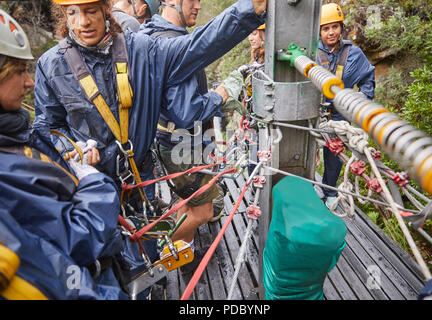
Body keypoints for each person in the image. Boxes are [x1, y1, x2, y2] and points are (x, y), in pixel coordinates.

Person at [32, 0, 266, 280]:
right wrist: (71, 149)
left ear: (106, 10)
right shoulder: (52, 66)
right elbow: (48, 126)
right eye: (73, 13)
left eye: (90, 11)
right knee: (105, 264)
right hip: (92, 186)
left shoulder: (142, 51)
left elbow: (199, 45)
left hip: (138, 180)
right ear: (64, 15)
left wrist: (250, 9)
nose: (82, 22)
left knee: (143, 262)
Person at [0, 8, 127, 299]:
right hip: (91, 273)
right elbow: (77, 238)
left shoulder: (16, 136)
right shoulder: (7, 167)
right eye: (18, 71)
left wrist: (66, 156)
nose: (29, 82)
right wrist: (93, 180)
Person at [139, 0, 233, 274]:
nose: (198, 5)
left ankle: (182, 250)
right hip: (184, 143)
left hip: (170, 139)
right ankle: (174, 252)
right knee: (202, 212)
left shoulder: (153, 35)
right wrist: (220, 96)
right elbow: (185, 112)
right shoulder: (173, 42)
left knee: (184, 202)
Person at [317, 3, 375, 210]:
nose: (331, 32)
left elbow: (367, 78)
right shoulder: (312, 54)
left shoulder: (354, 54)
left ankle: (329, 192)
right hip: (314, 113)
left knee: (335, 157)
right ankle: (304, 190)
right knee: (303, 152)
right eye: (326, 28)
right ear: (319, 31)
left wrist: (362, 100)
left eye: (335, 27)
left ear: (341, 27)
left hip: (340, 114)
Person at [238, 23, 265, 176]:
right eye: (249, 34)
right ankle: (254, 191)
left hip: (262, 120)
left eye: (254, 33)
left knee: (256, 160)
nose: (250, 38)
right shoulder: (256, 57)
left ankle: (256, 192)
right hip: (253, 117)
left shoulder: (267, 61)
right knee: (253, 158)